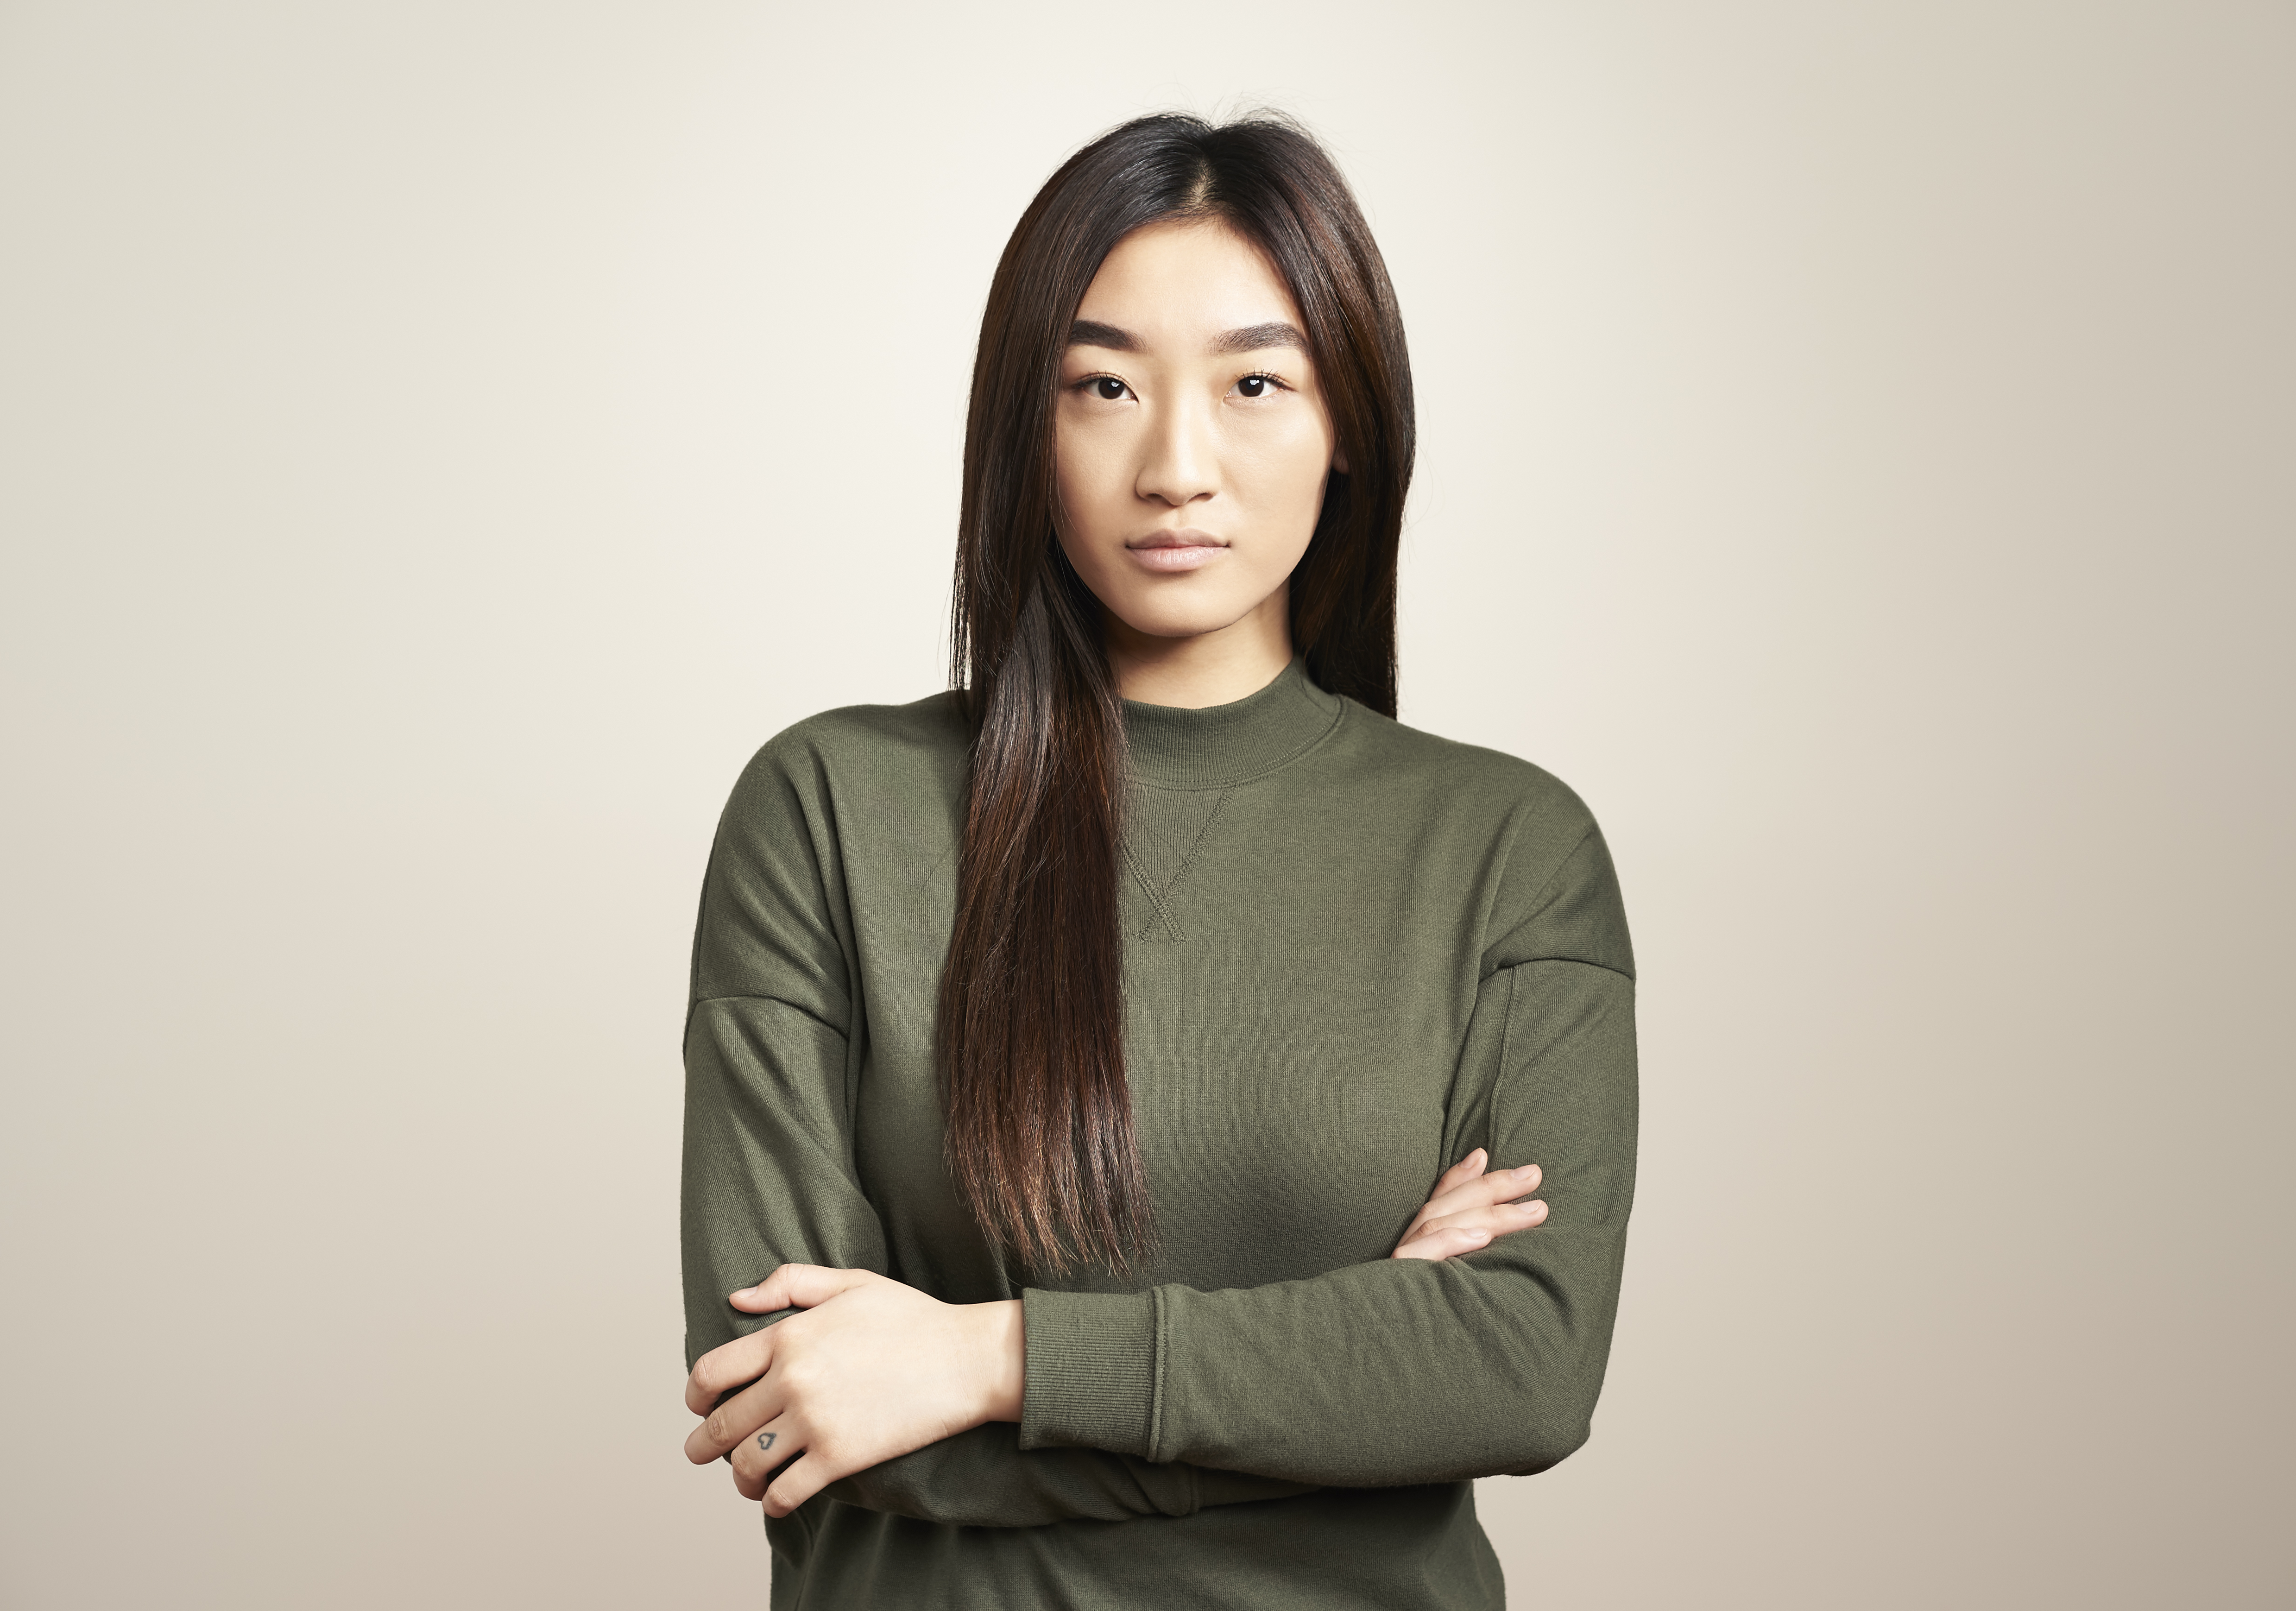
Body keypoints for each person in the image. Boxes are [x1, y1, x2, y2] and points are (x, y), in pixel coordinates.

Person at [677, 112, 1636, 1611]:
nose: (1177, 464)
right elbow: (796, 1409)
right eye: (1105, 386)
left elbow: (1520, 1372)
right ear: (1026, 425)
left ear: (1349, 428)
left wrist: (986, 1359)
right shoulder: (830, 811)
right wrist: (1357, 1364)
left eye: (1256, 383)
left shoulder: (1507, 851)